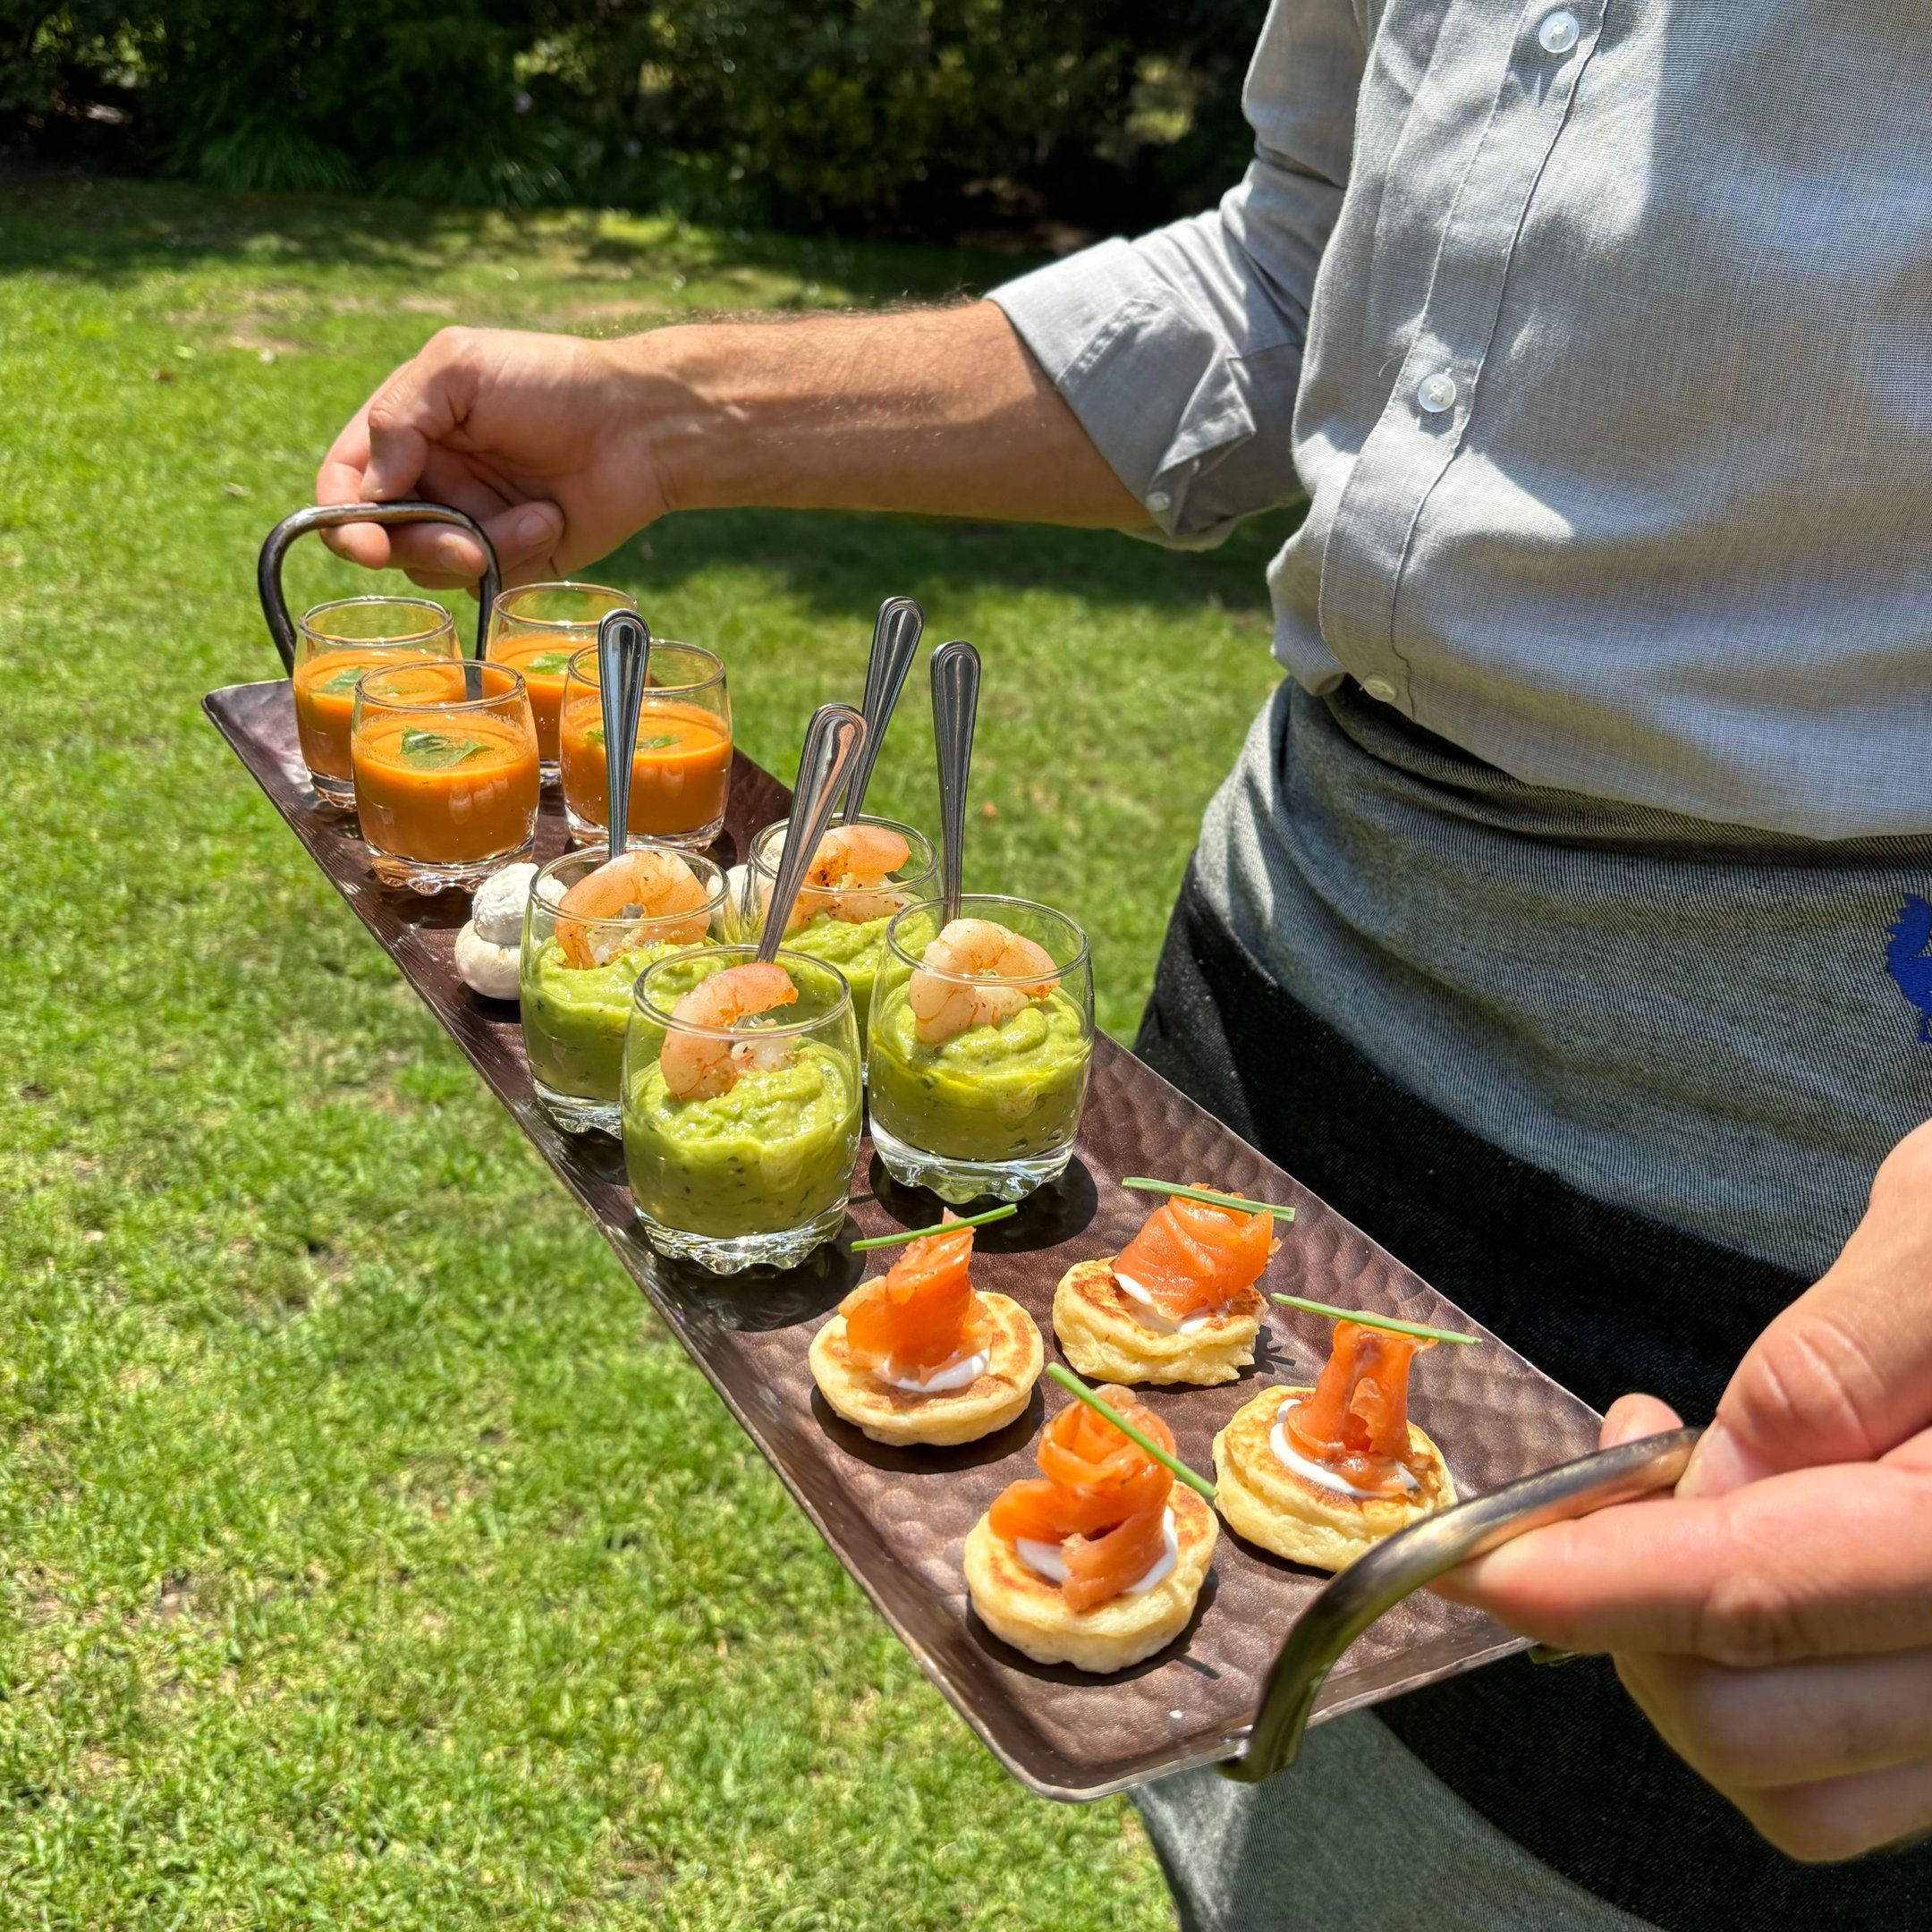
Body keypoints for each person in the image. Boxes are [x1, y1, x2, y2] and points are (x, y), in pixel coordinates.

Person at [314, 0, 1932, 1921]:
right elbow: (1303, 279)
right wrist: (683, 408)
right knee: (1227, 1790)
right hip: (1257, 1039)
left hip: (1792, 1211)